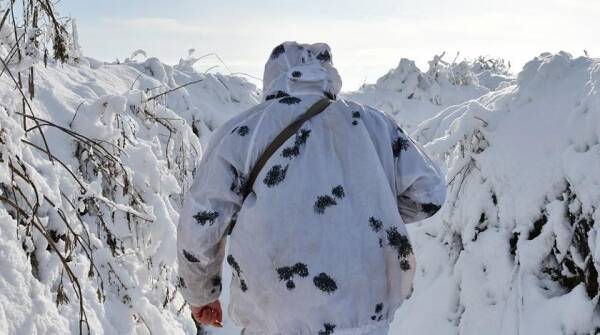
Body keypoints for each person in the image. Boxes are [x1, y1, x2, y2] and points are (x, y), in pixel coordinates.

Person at [177, 41, 446, 335]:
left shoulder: (245, 131)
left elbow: (201, 223)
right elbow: (429, 193)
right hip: (366, 314)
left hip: (277, 318)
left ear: (273, 76)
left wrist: (201, 294)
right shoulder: (376, 124)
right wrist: (366, 209)